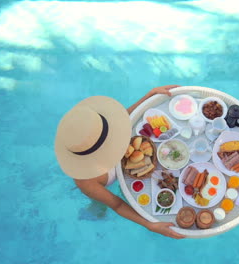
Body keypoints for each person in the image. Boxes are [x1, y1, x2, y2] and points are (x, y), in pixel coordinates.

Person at [54, 85, 185, 239]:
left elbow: (125, 117)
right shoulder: (86, 182)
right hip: (99, 189)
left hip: (133, 172)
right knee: (100, 205)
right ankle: (96, 207)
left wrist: (149, 95)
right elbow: (117, 204)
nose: (116, 143)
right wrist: (149, 225)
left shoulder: (101, 128)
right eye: (109, 143)